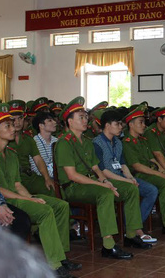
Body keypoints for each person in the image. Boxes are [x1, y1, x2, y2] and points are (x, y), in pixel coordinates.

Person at [0, 103, 79, 278]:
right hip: (2, 200)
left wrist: (31, 197)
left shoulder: (12, 154)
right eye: (7, 125)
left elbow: (17, 184)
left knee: (60, 205)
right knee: (45, 211)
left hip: (15, 195)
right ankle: (54, 265)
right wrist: (30, 200)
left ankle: (61, 256)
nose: (13, 127)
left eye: (12, 124)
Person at [55, 96, 144, 260]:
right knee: (105, 194)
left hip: (92, 183)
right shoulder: (64, 143)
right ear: (69, 121)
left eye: (85, 116)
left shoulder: (87, 142)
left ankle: (131, 235)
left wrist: (105, 180)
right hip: (74, 187)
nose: (85, 120)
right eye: (80, 117)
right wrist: (102, 186)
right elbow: (72, 175)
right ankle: (108, 246)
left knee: (131, 189)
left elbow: (96, 167)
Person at [92, 109, 158, 243]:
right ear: (107, 125)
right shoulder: (96, 143)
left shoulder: (118, 142)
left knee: (151, 190)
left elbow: (122, 164)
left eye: (121, 124)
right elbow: (103, 171)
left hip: (121, 177)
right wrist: (126, 180)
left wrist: (130, 178)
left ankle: (132, 223)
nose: (121, 127)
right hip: (108, 179)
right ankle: (134, 231)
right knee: (131, 189)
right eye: (117, 124)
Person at [121, 105, 165, 238]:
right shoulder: (127, 142)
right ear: (131, 124)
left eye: (144, 122)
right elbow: (137, 166)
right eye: (141, 122)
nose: (144, 125)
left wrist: (163, 171)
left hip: (150, 171)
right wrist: (160, 174)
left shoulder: (142, 139)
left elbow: (151, 158)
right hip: (139, 174)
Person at [8, 100, 56, 197]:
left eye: (20, 118)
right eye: (14, 119)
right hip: (11, 178)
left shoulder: (28, 139)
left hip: (28, 177)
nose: (17, 122)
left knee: (52, 189)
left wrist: (47, 178)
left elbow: (38, 159)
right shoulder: (5, 140)